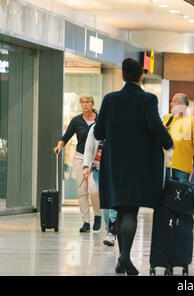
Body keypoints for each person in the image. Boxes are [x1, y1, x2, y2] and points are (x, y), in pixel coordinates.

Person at [94, 58, 173, 276]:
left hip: (114, 163)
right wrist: (168, 143)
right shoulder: (147, 99)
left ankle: (122, 260)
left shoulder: (110, 100)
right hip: (139, 165)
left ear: (122, 76)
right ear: (141, 76)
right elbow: (155, 126)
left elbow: (98, 132)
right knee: (130, 210)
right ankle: (124, 256)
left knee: (121, 209)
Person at [54, 95, 101, 233]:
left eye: (88, 102)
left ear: (92, 104)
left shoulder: (99, 120)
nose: (85, 104)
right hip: (80, 157)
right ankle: (86, 222)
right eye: (83, 102)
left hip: (96, 159)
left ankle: (97, 215)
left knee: (94, 190)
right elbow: (65, 137)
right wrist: (59, 146)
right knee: (82, 191)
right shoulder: (76, 121)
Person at [82, 123, 117, 246]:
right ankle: (109, 229)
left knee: (113, 198)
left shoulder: (120, 124)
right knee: (105, 199)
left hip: (116, 168)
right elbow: (88, 147)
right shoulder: (96, 127)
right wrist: (86, 166)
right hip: (98, 168)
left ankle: (112, 231)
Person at [163, 93, 194, 182]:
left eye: (174, 101)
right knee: (165, 195)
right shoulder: (167, 118)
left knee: (180, 194)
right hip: (165, 165)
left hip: (182, 168)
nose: (171, 104)